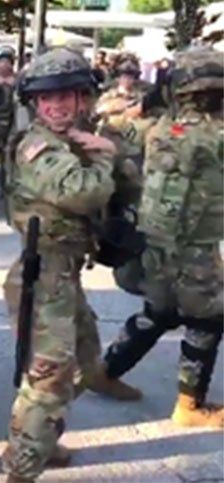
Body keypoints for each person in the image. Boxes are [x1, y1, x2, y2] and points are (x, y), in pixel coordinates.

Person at [1, 47, 139, 482]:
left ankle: (38, 438)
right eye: (47, 98)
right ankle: (21, 468)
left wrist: (110, 152)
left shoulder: (78, 140)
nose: (56, 106)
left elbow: (131, 183)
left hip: (65, 273)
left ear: (83, 99)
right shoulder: (39, 146)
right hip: (44, 274)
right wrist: (105, 156)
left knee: (83, 363)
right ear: (35, 104)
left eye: (66, 96)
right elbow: (84, 192)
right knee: (49, 381)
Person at [92, 47, 224, 428]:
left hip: (154, 240)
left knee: (159, 312)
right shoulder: (214, 136)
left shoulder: (163, 129)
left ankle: (105, 371)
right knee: (210, 318)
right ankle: (190, 405)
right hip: (193, 247)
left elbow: (119, 131)